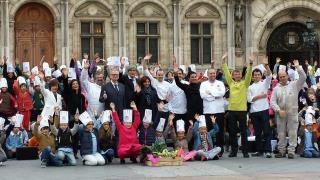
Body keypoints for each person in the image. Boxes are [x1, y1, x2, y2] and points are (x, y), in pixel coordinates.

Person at [271, 59, 307, 159]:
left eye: (284, 76)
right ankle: (281, 151)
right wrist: (278, 110)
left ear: (287, 76)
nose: (282, 78)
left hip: (292, 113)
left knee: (292, 132)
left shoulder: (295, 84)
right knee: (281, 133)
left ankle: (291, 151)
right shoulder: (276, 88)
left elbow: (304, 77)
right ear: (278, 78)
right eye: (280, 77)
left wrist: (298, 67)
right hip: (280, 113)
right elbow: (272, 102)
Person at [222, 53, 253, 158]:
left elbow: (248, 75)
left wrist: (250, 64)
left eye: (238, 74)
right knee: (232, 132)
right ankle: (233, 151)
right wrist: (224, 62)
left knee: (244, 132)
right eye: (235, 74)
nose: (237, 75)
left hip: (242, 110)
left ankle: (245, 151)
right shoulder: (230, 83)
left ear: (241, 75)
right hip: (231, 110)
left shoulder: (245, 83)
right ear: (233, 76)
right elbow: (226, 73)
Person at [247, 56, 272, 158]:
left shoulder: (264, 84)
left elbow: (269, 75)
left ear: (261, 76)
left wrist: (266, 65)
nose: (257, 76)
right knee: (257, 132)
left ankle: (267, 150)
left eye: (258, 75)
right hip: (254, 112)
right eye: (255, 75)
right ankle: (259, 150)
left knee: (266, 131)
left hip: (264, 110)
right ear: (252, 77)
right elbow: (249, 100)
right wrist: (260, 96)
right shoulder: (249, 87)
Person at [199, 68, 226, 156]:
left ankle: (220, 149)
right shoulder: (203, 84)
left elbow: (222, 93)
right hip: (208, 111)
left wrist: (210, 93)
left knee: (219, 131)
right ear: (208, 74)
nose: (212, 75)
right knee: (210, 131)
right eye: (210, 73)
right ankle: (210, 148)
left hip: (219, 111)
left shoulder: (220, 83)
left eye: (214, 73)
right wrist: (214, 95)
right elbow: (202, 95)